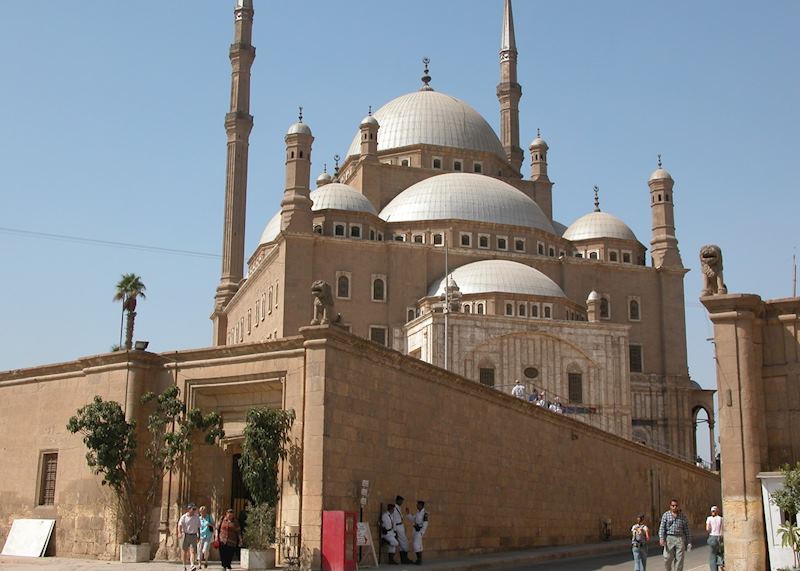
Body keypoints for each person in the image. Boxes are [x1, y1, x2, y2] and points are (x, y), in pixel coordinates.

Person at [658, 499, 691, 571]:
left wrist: (689, 542)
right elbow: (662, 528)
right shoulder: (666, 515)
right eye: (673, 506)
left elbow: (686, 529)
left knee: (679, 559)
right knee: (667, 558)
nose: (674, 507)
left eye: (676, 506)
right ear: (670, 506)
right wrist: (661, 538)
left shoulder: (682, 516)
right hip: (669, 538)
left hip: (679, 539)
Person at [177, 503, 201, 571]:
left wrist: (199, 535)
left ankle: (192, 565)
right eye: (193, 509)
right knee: (184, 551)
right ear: (189, 509)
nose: (194, 511)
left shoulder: (196, 517)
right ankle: (184, 565)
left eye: (195, 509)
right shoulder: (184, 517)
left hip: (193, 535)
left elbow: (198, 527)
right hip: (185, 534)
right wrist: (179, 533)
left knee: (193, 551)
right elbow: (179, 525)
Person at [405, 500, 429, 565]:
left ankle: (419, 559)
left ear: (421, 505)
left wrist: (422, 532)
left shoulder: (425, 513)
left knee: (416, 544)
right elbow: (413, 519)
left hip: (420, 531)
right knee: (418, 545)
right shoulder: (418, 512)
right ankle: (419, 560)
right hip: (415, 530)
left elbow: (425, 524)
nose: (417, 505)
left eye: (418, 504)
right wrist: (408, 513)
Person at [392, 496, 411, 564]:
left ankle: (404, 559)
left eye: (402, 501)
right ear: (397, 500)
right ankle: (405, 559)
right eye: (400, 501)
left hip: (400, 526)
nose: (401, 502)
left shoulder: (398, 508)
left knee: (401, 543)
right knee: (405, 542)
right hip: (398, 526)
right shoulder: (395, 508)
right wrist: (394, 530)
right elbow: (394, 520)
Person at [706, 505, 724, 571]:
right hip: (719, 537)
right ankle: (721, 564)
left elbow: (708, 529)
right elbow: (722, 529)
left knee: (712, 555)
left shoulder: (709, 518)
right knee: (720, 553)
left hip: (712, 536)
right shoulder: (721, 518)